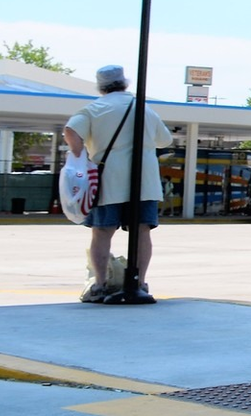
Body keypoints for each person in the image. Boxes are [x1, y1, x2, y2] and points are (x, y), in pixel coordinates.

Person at [62, 65, 171, 304]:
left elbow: (70, 129)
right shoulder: (144, 108)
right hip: (144, 181)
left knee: (101, 233)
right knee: (142, 231)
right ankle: (140, 282)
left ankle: (100, 285)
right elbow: (166, 139)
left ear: (101, 86)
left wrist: (79, 155)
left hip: (108, 180)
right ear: (125, 83)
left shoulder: (94, 109)